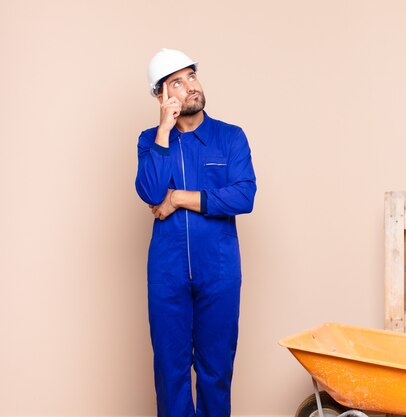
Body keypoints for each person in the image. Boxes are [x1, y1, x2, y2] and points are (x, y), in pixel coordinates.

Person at [135, 48, 257, 417]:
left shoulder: (230, 137)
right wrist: (164, 132)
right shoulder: (150, 139)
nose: (190, 87)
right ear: (162, 96)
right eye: (177, 82)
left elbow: (244, 195)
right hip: (167, 274)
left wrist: (179, 198)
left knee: (215, 372)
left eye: (192, 77)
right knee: (169, 373)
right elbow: (150, 192)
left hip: (218, 272)